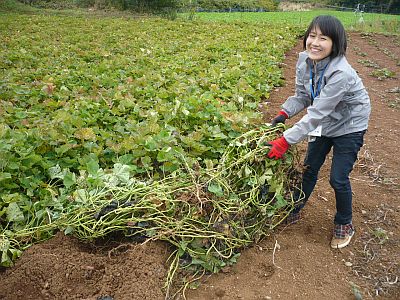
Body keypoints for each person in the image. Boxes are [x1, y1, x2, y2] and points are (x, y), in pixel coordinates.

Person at [267, 15, 371, 249]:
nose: (315, 42)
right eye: (312, 36)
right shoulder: (305, 60)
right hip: (325, 119)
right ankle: (294, 208)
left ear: (335, 43)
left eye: (323, 38)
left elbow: (317, 114)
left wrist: (285, 141)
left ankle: (345, 223)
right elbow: (303, 96)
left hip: (349, 124)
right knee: (309, 168)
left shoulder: (341, 73)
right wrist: (284, 114)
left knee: (338, 178)